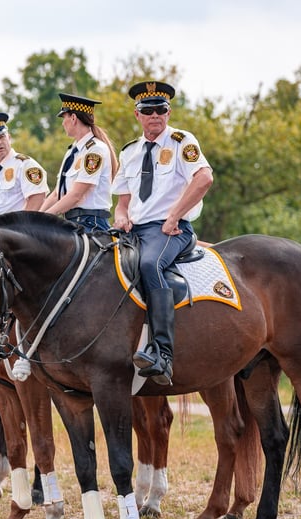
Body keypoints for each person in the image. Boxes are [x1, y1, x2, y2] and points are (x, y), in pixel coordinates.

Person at [112, 80, 213, 385]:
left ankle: (162, 354)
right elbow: (122, 201)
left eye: (161, 109)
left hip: (171, 229)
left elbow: (204, 178)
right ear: (137, 114)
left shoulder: (182, 142)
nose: (155, 115)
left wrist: (174, 215)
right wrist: (120, 216)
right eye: (148, 110)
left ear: (168, 113)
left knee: (148, 264)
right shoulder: (129, 151)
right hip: (136, 230)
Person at [40, 93, 118, 233]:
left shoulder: (95, 150)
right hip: (71, 222)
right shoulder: (72, 151)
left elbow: (76, 195)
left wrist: (46, 218)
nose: (63, 123)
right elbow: (57, 194)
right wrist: (36, 217)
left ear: (74, 118)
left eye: (64, 118)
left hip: (91, 224)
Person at [0, 112, 49, 218]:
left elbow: (38, 197)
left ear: (9, 138)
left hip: (16, 231)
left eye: (2, 137)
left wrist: (20, 226)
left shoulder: (25, 165)